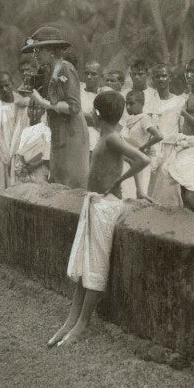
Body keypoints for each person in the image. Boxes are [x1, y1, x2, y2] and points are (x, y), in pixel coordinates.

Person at [48, 91, 150, 347]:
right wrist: (137, 188)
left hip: (106, 207)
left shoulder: (113, 138)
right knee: (84, 265)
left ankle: (82, 323)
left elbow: (142, 159)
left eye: (92, 112)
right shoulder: (106, 136)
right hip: (94, 204)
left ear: (97, 114)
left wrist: (120, 181)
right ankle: (71, 320)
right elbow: (132, 159)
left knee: (95, 267)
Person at [25, 26, 90, 189]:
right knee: (58, 179)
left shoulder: (66, 68)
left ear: (50, 50)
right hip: (57, 130)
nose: (35, 55)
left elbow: (74, 106)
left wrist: (42, 102)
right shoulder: (48, 71)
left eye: (38, 50)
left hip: (72, 131)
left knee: (72, 181)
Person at [165, 59, 194, 211]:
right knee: (183, 194)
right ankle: (189, 230)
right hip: (183, 144)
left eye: (193, 71)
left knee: (191, 195)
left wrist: (182, 112)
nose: (189, 74)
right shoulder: (188, 94)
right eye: (187, 71)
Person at [147, 63, 187, 207]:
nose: (161, 79)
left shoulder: (179, 101)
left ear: (169, 77)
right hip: (152, 149)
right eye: (157, 76)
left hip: (170, 150)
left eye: (164, 75)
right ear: (153, 79)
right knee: (151, 188)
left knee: (169, 188)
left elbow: (182, 129)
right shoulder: (149, 101)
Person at [120, 89, 162, 199]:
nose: (128, 107)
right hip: (128, 161)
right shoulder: (129, 120)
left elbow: (158, 136)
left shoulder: (144, 119)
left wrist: (142, 147)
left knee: (138, 194)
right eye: (127, 104)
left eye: (132, 103)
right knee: (127, 193)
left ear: (141, 103)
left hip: (140, 161)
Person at [13, 102, 51, 184]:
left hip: (39, 169)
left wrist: (34, 166)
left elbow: (47, 155)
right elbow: (20, 152)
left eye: (37, 109)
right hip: (26, 169)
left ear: (43, 111)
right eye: (30, 108)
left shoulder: (46, 131)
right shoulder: (25, 131)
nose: (33, 112)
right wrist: (23, 166)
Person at [80, 60, 103, 152]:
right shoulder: (77, 92)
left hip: (93, 141)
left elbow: (98, 120)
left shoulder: (103, 96)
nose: (89, 77)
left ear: (101, 76)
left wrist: (75, 113)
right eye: (86, 73)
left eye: (93, 74)